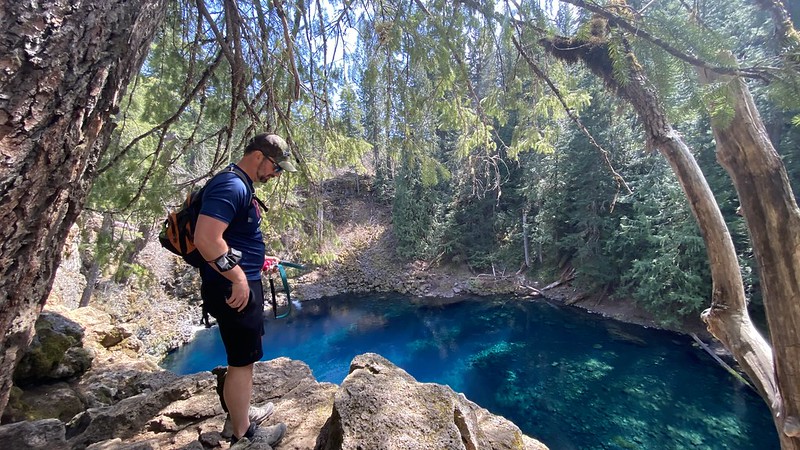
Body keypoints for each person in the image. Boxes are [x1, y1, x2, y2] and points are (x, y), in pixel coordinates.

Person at [194, 133, 297, 445]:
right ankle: (245, 436)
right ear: (258, 157)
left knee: (242, 358)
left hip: (237, 282)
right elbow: (206, 239)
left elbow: (228, 239)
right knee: (242, 362)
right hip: (233, 289)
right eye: (275, 167)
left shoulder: (238, 184)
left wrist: (256, 259)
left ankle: (238, 415)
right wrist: (239, 277)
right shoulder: (231, 185)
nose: (276, 174)